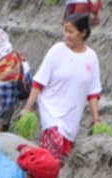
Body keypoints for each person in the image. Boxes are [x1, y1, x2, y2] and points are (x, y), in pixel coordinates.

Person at [24, 15, 102, 161]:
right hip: (52, 113)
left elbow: (93, 92)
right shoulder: (57, 51)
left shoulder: (91, 57)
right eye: (65, 31)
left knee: (61, 161)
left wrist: (96, 120)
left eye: (70, 32)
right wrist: (28, 108)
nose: (66, 35)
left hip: (72, 118)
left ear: (83, 32)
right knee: (51, 157)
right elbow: (39, 82)